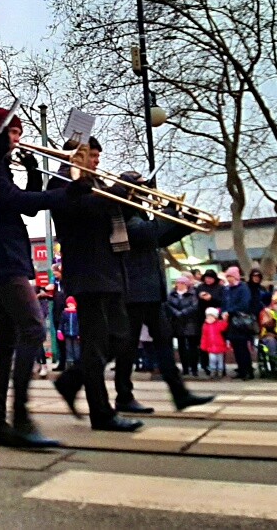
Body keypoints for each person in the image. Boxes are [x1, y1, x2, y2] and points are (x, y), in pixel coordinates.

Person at [0, 108, 71, 448]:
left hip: (7, 256)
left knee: (6, 343)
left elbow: (25, 207)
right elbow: (12, 200)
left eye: (19, 133)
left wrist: (32, 172)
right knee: (32, 328)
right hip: (1, 258)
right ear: (0, 133)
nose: (18, 139)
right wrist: (65, 194)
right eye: (13, 133)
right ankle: (21, 417)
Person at [49, 138, 145, 432]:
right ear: (75, 155)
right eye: (91, 155)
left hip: (110, 270)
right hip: (87, 272)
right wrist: (118, 191)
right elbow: (86, 212)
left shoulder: (97, 182)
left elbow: (114, 216)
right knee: (94, 344)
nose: (97, 161)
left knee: (121, 338)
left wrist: (131, 197)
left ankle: (72, 379)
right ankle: (101, 414)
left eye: (97, 156)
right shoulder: (61, 182)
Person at [109, 172, 212, 415]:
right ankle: (120, 394)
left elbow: (159, 239)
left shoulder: (138, 213)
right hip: (133, 290)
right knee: (126, 347)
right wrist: (172, 213)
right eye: (142, 187)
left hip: (150, 290)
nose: (147, 192)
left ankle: (179, 393)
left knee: (163, 341)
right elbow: (146, 233)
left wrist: (184, 225)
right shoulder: (122, 214)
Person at [222, 266, 255, 380]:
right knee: (236, 347)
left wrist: (230, 311)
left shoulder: (243, 288)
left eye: (230, 276)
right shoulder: (227, 289)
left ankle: (248, 370)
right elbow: (224, 302)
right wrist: (224, 311)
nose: (228, 279)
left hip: (241, 321)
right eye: (227, 277)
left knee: (242, 347)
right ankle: (241, 369)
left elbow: (244, 304)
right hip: (231, 321)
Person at [166, 276, 200, 377]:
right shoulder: (172, 294)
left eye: (182, 283)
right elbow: (168, 305)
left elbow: (195, 306)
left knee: (192, 346)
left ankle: (194, 368)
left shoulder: (192, 294)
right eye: (178, 283)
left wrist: (183, 312)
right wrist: (176, 312)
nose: (179, 285)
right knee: (182, 347)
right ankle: (185, 368)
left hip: (190, 322)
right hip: (177, 323)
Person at [195, 269, 224, 375]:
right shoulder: (200, 287)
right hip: (202, 317)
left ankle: (220, 367)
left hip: (216, 317)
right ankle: (205, 365)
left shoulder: (220, 288)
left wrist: (211, 298)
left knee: (218, 340)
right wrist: (201, 296)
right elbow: (196, 299)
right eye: (206, 278)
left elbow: (222, 301)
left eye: (210, 278)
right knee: (204, 341)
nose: (208, 280)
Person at [200, 307, 228, 378]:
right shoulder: (205, 326)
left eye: (211, 317)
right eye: (208, 317)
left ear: (215, 317)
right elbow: (204, 337)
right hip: (211, 346)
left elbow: (224, 326)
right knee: (212, 360)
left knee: (220, 360)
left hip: (219, 346)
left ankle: (220, 371)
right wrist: (203, 346)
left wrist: (225, 319)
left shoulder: (219, 324)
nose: (209, 319)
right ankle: (213, 371)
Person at [57, 297, 80, 368]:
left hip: (76, 334)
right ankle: (70, 364)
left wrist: (79, 333)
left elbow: (79, 324)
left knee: (76, 349)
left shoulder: (77, 313)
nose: (70, 306)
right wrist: (60, 331)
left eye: (71, 304)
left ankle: (77, 363)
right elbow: (62, 323)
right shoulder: (65, 313)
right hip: (67, 334)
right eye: (68, 304)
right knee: (68, 349)